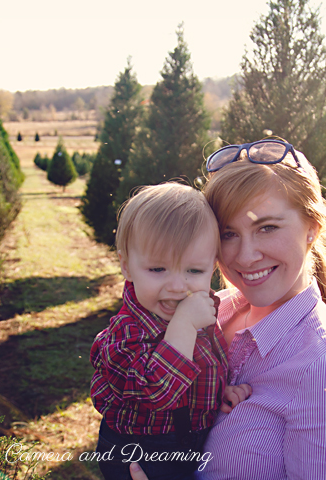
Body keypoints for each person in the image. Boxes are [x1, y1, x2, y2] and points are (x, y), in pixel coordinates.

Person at [129, 139, 326, 479]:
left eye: (267, 228)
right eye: (228, 234)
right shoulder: (212, 312)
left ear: (312, 228)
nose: (246, 256)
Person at [90, 183, 252, 480]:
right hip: (142, 455)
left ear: (213, 267)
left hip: (189, 442)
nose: (178, 287)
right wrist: (184, 325)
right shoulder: (124, 336)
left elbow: (201, 371)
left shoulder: (200, 311)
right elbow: (157, 391)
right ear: (127, 267)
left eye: (194, 271)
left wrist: (219, 394)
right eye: (157, 269)